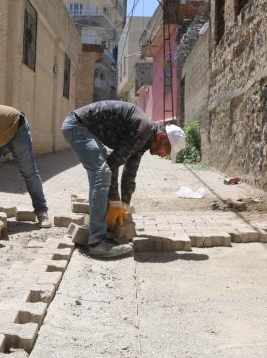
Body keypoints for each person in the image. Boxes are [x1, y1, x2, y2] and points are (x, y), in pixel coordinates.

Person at [61, 101, 186, 258]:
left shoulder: (144, 139)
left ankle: (103, 229)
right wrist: (115, 201)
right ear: (161, 137)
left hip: (86, 130)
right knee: (103, 173)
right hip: (78, 127)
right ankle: (97, 243)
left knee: (104, 173)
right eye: (167, 150)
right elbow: (113, 164)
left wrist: (124, 205)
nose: (164, 156)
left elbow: (129, 173)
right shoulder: (144, 129)